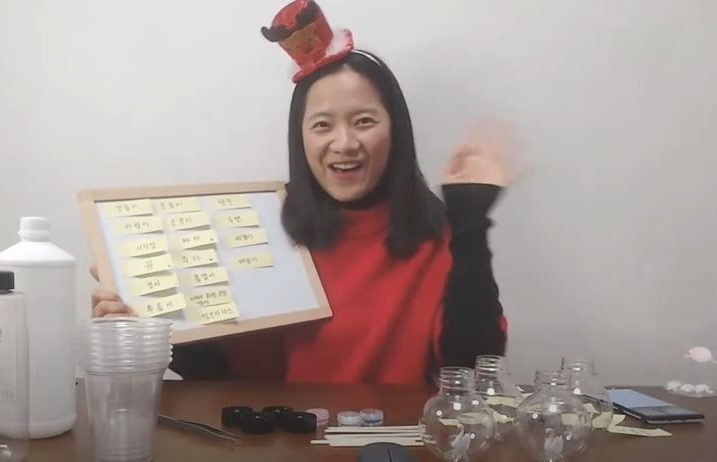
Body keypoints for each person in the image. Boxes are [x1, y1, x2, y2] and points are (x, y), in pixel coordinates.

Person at [91, 0, 511, 385]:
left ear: (396, 130)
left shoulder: (440, 233)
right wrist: (148, 323)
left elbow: (474, 367)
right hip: (284, 433)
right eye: (322, 125)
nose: (344, 143)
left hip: (397, 436)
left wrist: (470, 221)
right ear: (301, 138)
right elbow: (227, 375)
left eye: (364, 121)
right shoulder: (262, 225)